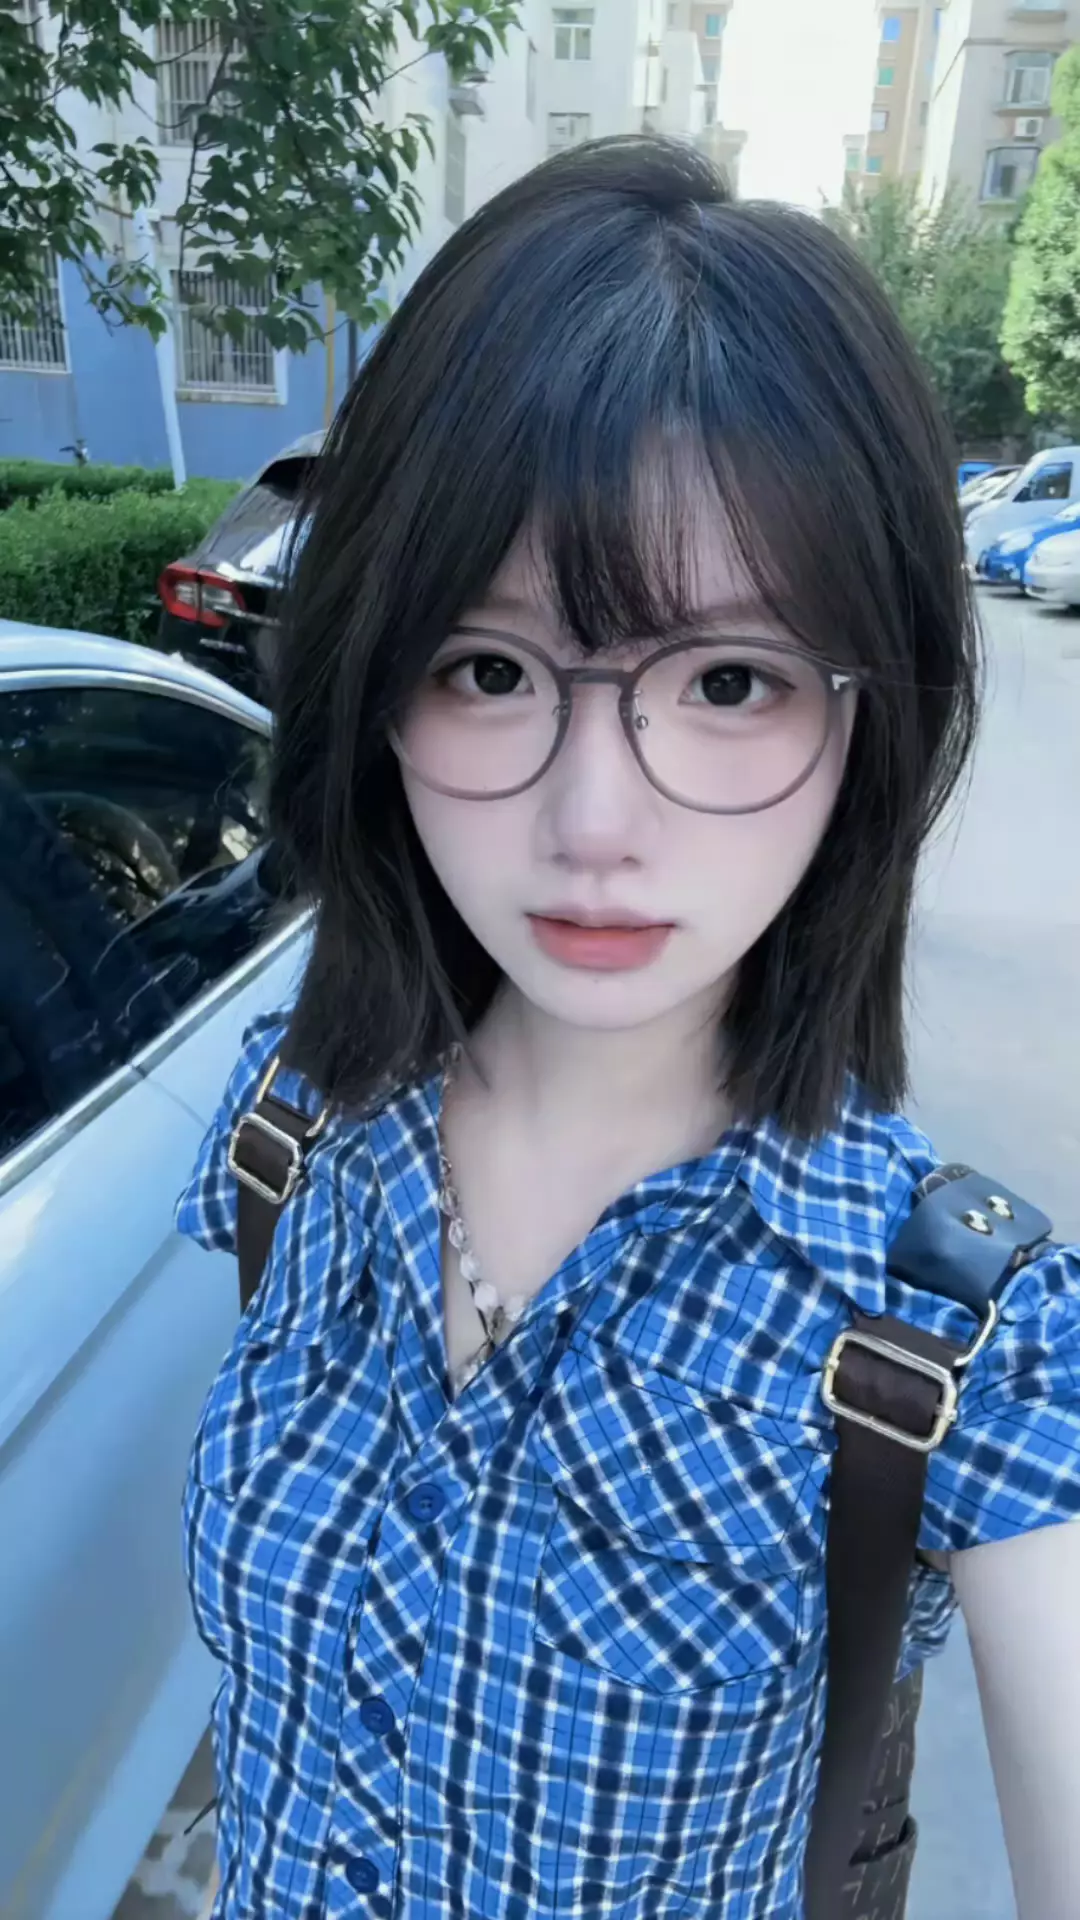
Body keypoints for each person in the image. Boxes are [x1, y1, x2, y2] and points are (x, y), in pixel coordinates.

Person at [176, 138, 1080, 1920]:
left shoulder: (951, 1333)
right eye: (489, 669)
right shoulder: (292, 1130)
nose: (594, 821)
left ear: (869, 719)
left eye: (729, 680)